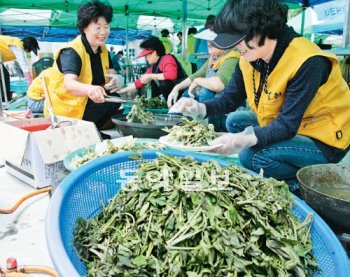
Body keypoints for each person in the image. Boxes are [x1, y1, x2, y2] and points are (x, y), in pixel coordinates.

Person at [170, 0, 350, 192]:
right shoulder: (249, 56)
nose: (236, 46)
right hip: (292, 124)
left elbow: (287, 126)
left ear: (262, 28)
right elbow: (230, 98)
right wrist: (201, 108)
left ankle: (302, 186)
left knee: (251, 156)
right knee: (235, 121)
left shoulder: (308, 61)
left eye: (239, 39)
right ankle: (286, 166)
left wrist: (243, 140)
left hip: (324, 140)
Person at [44, 1, 123, 139]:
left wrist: (115, 81)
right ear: (84, 28)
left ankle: (91, 131)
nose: (103, 32)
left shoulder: (103, 49)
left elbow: (110, 74)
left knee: (114, 99)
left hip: (85, 101)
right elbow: (69, 84)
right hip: (67, 106)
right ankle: (79, 133)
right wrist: (90, 89)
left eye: (106, 27)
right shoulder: (72, 51)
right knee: (105, 101)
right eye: (98, 27)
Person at [168, 29, 240, 131]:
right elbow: (197, 74)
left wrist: (198, 81)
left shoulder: (232, 58)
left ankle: (214, 130)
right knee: (187, 94)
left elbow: (218, 85)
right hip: (213, 107)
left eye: (212, 44)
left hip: (225, 110)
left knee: (205, 92)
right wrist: (176, 87)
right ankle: (178, 124)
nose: (208, 47)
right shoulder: (215, 57)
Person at [116, 36, 187, 100]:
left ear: (154, 52)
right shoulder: (153, 67)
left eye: (146, 55)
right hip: (171, 96)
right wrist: (122, 90)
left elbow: (171, 75)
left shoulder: (167, 58)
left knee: (164, 83)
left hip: (182, 94)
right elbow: (139, 82)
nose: (145, 58)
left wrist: (151, 76)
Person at [0, 35, 40, 102]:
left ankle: (5, 97)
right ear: (28, 47)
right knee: (4, 76)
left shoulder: (16, 42)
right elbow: (24, 66)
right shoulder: (17, 47)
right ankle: (4, 99)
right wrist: (31, 85)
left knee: (4, 75)